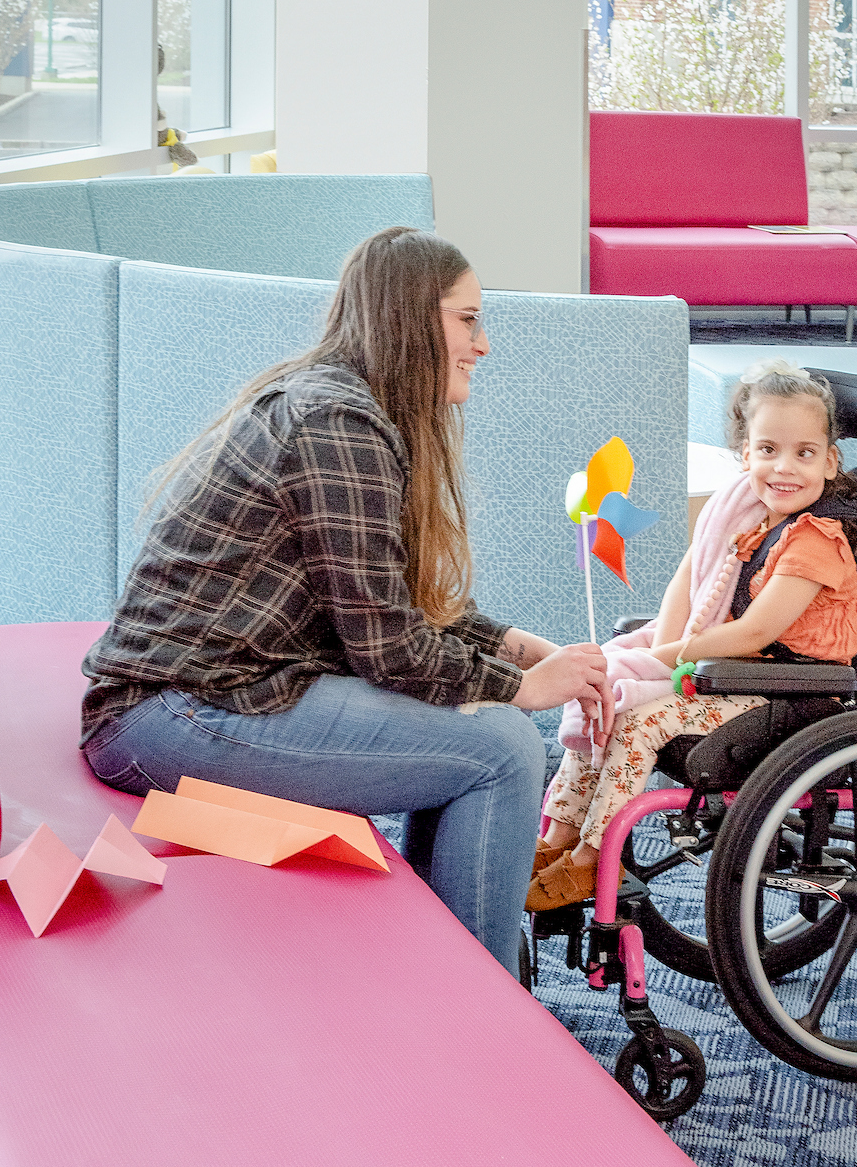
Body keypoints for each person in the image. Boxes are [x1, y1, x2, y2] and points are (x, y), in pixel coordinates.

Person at [80, 226, 613, 973]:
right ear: (410, 317)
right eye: (468, 319)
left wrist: (520, 648)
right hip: (169, 714)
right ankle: (477, 1007)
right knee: (502, 748)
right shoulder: (339, 422)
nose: (482, 343)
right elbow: (387, 645)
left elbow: (382, 601)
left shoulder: (341, 405)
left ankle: (446, 973)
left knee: (477, 733)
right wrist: (524, 688)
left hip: (199, 696)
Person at [527, 363, 857, 911]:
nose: (784, 467)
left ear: (831, 461)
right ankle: (558, 837)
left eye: (805, 453)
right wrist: (651, 656)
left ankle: (592, 859)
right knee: (605, 694)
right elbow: (686, 584)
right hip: (739, 673)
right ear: (745, 454)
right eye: (768, 449)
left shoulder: (816, 541)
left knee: (641, 719)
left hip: (794, 689)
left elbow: (757, 630)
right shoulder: (742, 514)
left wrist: (662, 661)